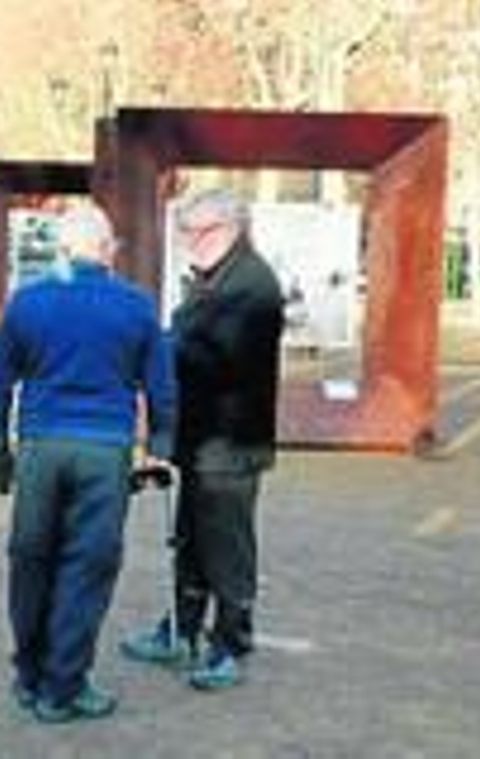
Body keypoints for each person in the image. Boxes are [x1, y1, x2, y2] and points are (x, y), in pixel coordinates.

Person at [0, 201, 177, 723]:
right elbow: (161, 386)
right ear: (109, 250)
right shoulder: (136, 305)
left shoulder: (28, 303)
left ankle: (29, 673)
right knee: (86, 568)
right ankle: (63, 688)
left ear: (60, 249)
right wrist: (160, 443)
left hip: (41, 448)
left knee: (31, 560)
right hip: (104, 452)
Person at [120, 188, 285, 692]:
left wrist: (156, 348)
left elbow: (214, 356)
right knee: (190, 538)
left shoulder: (252, 284)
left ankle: (231, 642)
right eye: (186, 231)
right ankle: (182, 627)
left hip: (231, 443)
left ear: (232, 227)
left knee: (226, 546)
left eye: (202, 230)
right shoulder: (213, 279)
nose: (192, 241)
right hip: (202, 439)